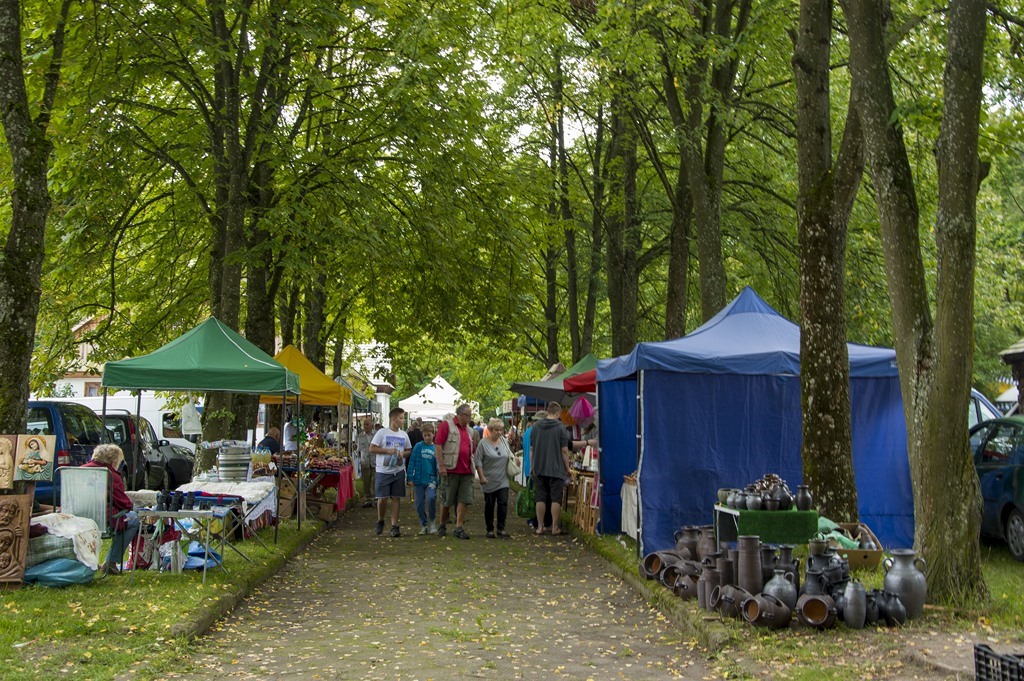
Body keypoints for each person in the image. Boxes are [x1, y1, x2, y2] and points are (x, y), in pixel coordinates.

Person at [83, 444, 139, 575]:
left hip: (77, 519)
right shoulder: (109, 474)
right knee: (134, 519)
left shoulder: (78, 470)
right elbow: (124, 504)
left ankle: (87, 562)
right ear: (114, 461)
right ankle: (111, 562)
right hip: (102, 520)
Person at [434, 404, 479, 539]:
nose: (470, 418)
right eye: (468, 415)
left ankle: (459, 527)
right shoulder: (446, 426)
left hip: (467, 471)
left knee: (464, 499)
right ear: (461, 415)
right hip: (450, 469)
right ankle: (442, 524)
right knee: (447, 499)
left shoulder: (471, 431)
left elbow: (473, 450)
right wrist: (441, 465)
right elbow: (438, 444)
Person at [530, 402, 572, 536]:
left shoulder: (536, 427)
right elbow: (564, 450)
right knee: (556, 498)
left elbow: (532, 449)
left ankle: (540, 527)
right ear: (558, 413)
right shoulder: (560, 428)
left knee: (540, 497)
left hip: (539, 467)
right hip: (556, 468)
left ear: (547, 411)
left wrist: (532, 466)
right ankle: (554, 527)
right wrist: (568, 468)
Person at [369, 407, 412, 537]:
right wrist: (387, 451)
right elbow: (372, 448)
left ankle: (394, 525)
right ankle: (380, 520)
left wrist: (403, 454)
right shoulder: (382, 433)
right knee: (382, 499)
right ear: (393, 419)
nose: (403, 421)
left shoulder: (404, 434)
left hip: (398, 471)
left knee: (395, 498)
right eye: (401, 418)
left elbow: (409, 449)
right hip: (383, 471)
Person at [475, 418, 511, 538]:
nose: (499, 432)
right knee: (490, 504)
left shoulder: (504, 442)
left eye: (501, 430)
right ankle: (489, 529)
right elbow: (478, 461)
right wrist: (481, 477)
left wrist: (514, 460)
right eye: (497, 430)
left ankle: (501, 528)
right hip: (488, 479)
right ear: (490, 430)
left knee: (503, 503)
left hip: (503, 479)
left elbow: (509, 456)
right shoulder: (483, 443)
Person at [407, 422, 438, 534]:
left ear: (433, 434)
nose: (427, 438)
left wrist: (438, 480)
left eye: (429, 435)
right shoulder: (418, 446)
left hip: (431, 479)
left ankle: (432, 521)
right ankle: (423, 524)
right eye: (425, 435)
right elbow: (412, 462)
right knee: (419, 503)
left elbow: (438, 465)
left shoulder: (436, 448)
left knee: (431, 498)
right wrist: (410, 477)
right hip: (419, 479)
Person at [355, 418, 375, 508]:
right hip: (365, 461)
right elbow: (358, 450)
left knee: (375, 481)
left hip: (375, 461)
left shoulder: (376, 435)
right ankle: (368, 499)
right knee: (366, 481)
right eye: (364, 425)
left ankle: (375, 498)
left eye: (367, 424)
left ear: (372, 425)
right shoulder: (360, 436)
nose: (366, 426)